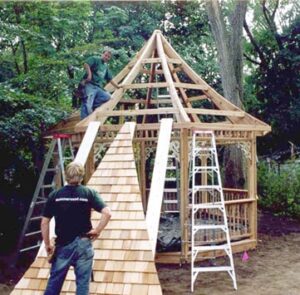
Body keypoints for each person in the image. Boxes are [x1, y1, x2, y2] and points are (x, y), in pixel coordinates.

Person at [41, 162, 111, 295]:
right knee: (83, 284)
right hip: (84, 244)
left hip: (63, 245)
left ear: (66, 176)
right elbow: (107, 213)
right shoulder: (89, 193)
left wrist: (47, 245)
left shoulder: (55, 196)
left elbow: (44, 223)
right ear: (81, 176)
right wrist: (97, 230)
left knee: (54, 282)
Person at [80, 49, 120, 119]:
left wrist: (117, 86)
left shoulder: (105, 67)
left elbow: (109, 79)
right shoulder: (95, 59)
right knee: (87, 104)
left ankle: (91, 104)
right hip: (90, 85)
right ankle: (84, 123)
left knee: (107, 97)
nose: (106, 57)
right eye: (105, 55)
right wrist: (89, 75)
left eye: (108, 57)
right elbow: (86, 64)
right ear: (102, 54)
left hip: (98, 87)